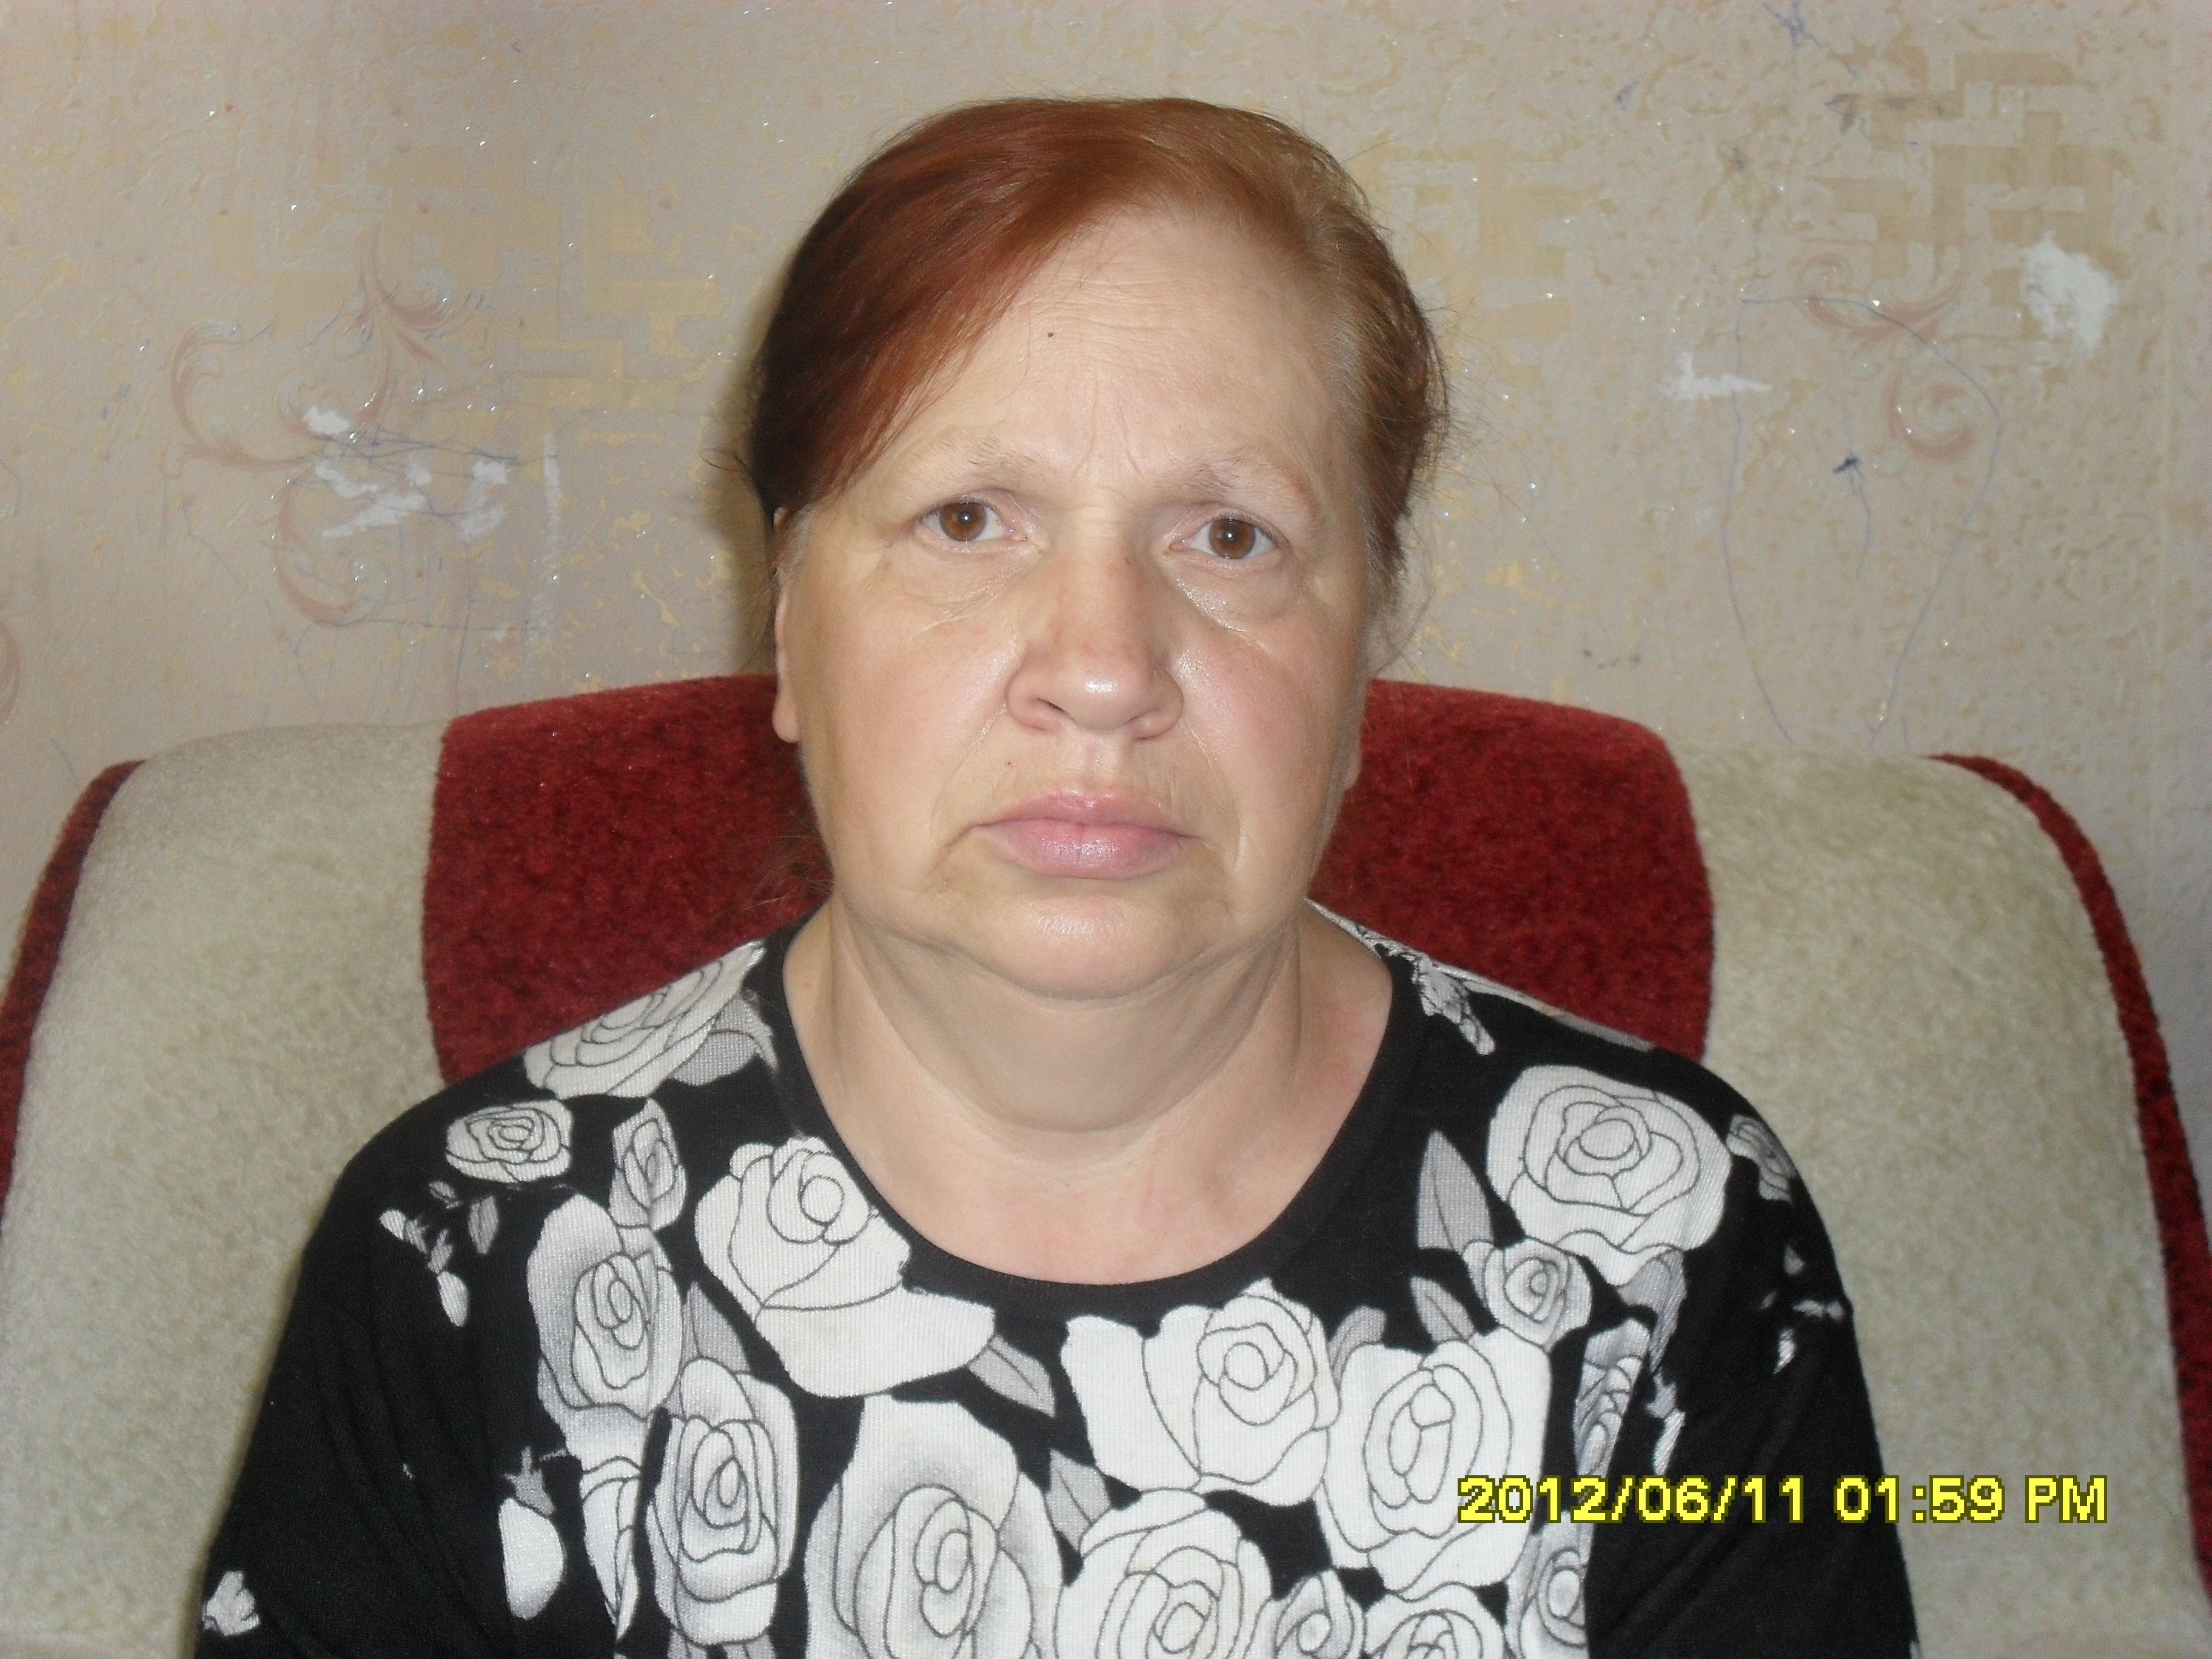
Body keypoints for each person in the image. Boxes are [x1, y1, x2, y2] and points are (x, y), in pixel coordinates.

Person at [195, 97, 1915, 1658]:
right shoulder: (468, 1256)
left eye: (1230, 536)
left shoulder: (1669, 1245)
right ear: (787, 616)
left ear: (1361, 656)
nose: (1102, 668)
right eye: (967, 519)